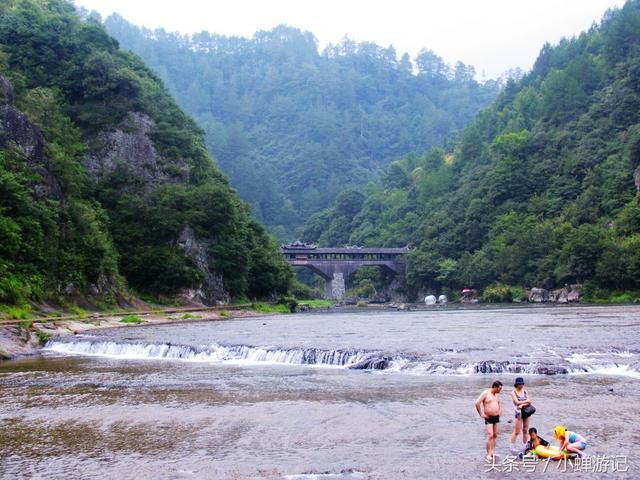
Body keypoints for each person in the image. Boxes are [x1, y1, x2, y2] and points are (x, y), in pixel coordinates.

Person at [475, 380, 503, 461]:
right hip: (488, 417)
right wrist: (481, 414)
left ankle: (493, 451)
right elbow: (477, 403)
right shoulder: (486, 393)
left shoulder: (497, 395)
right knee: (490, 434)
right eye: (499, 388)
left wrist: (500, 410)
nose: (500, 390)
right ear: (494, 387)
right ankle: (488, 453)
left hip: (496, 416)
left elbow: (499, 402)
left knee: (495, 434)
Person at [510, 377, 532, 453]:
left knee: (525, 430)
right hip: (518, 413)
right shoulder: (513, 392)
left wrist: (522, 405)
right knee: (516, 431)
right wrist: (525, 402)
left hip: (526, 412)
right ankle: (512, 446)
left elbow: (530, 401)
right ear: (516, 384)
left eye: (522, 384)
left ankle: (525, 445)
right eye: (520, 384)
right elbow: (516, 402)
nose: (521, 385)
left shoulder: (525, 391)